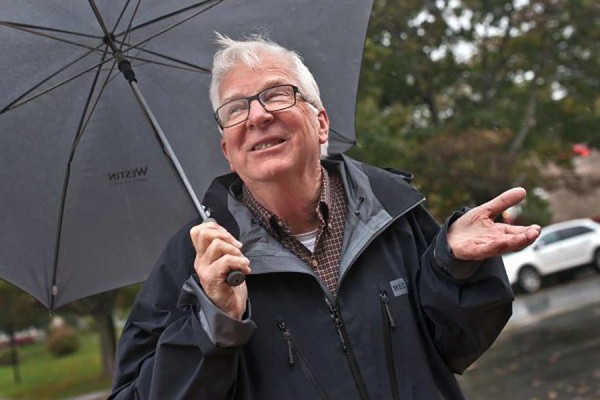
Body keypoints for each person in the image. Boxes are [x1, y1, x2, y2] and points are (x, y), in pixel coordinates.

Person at [109, 34, 540, 400]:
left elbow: (456, 345)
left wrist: (452, 267)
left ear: (321, 123)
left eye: (276, 94)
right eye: (235, 109)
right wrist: (211, 323)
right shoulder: (194, 261)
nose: (257, 116)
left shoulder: (394, 213)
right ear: (228, 150)